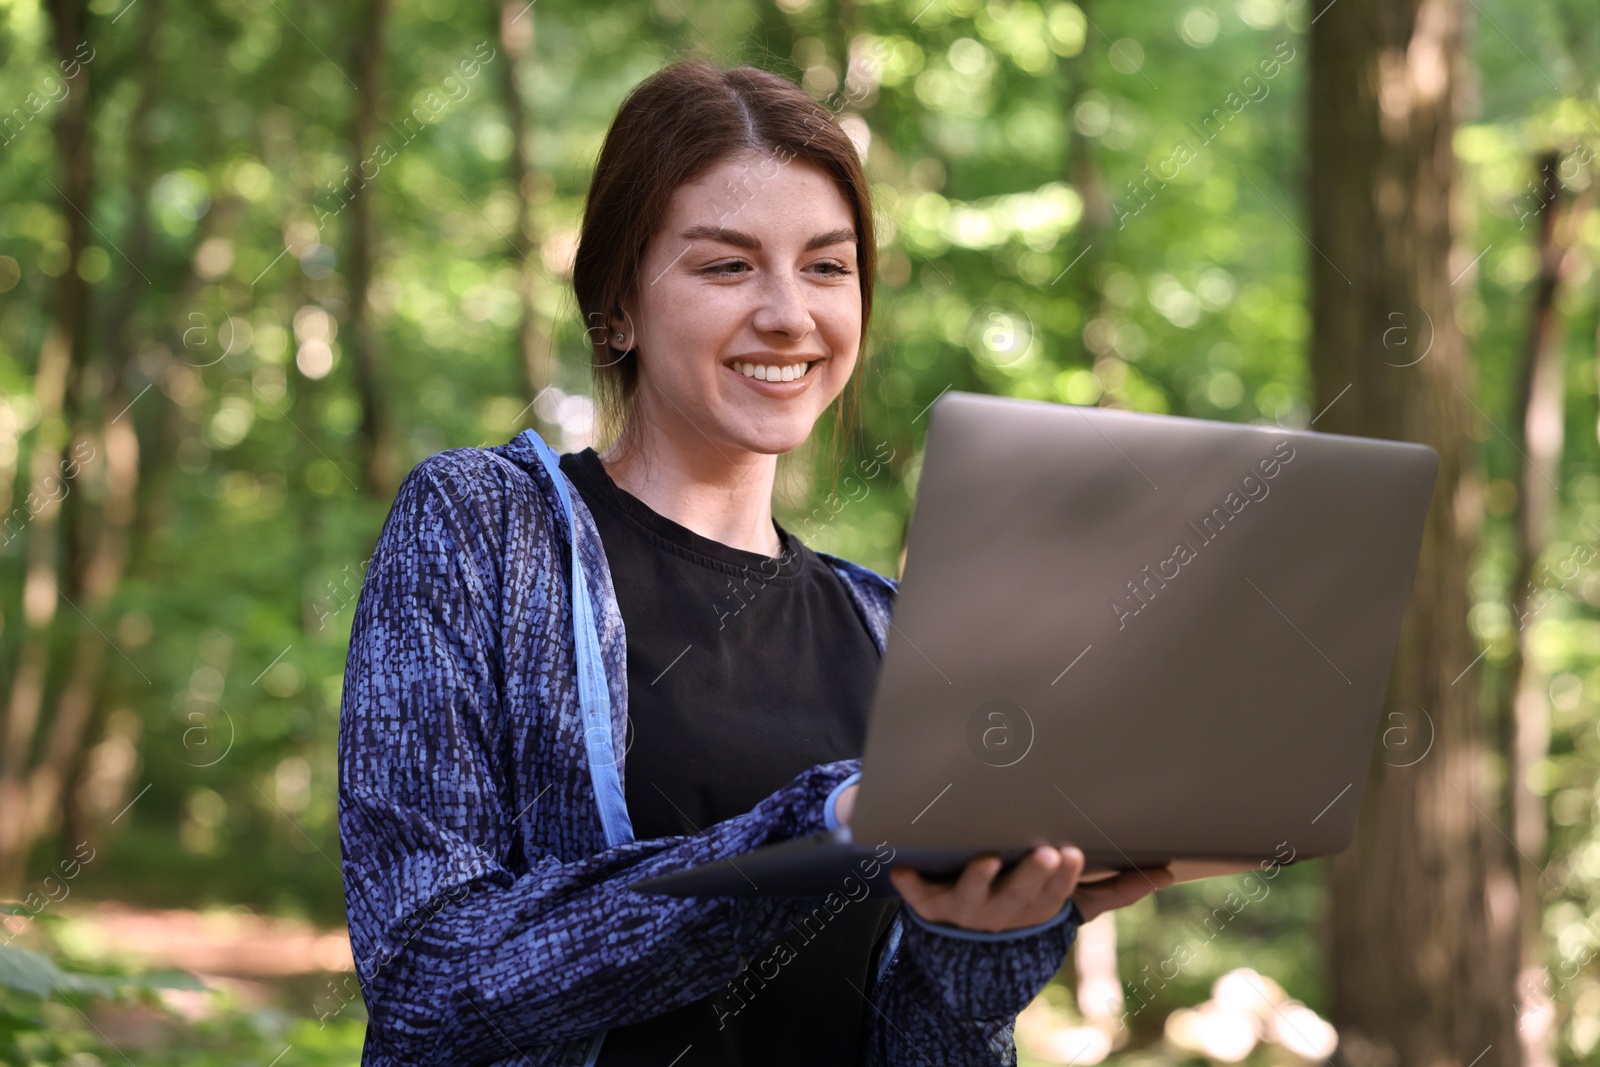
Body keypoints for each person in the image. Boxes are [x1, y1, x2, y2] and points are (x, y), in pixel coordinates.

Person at [337, 58, 1171, 1067]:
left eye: (826, 266)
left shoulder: (892, 629)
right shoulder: (479, 527)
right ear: (617, 309)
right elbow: (429, 976)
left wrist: (980, 941)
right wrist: (810, 833)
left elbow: (923, 1044)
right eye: (726, 265)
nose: (788, 312)